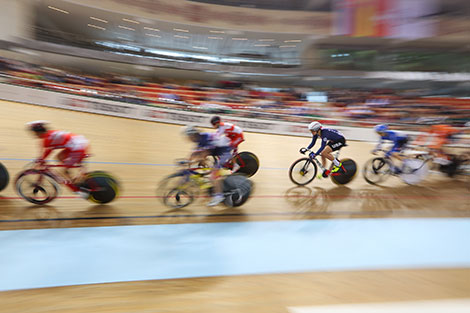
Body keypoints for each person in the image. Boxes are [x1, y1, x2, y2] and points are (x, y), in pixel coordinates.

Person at [26, 120, 90, 198]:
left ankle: (78, 190)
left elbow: (47, 151)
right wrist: (41, 159)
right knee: (59, 158)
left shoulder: (46, 139)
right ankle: (76, 180)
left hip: (77, 148)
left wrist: (40, 160)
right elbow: (46, 151)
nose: (34, 135)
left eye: (34, 132)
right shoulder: (49, 134)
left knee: (62, 172)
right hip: (78, 144)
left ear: (38, 132)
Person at [183, 125, 232, 206]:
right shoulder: (199, 139)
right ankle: (211, 187)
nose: (188, 138)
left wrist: (193, 162)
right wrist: (186, 161)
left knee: (214, 174)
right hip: (217, 151)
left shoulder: (205, 139)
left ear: (192, 135)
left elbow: (204, 155)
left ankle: (219, 196)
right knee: (202, 164)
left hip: (224, 153)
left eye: (188, 136)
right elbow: (194, 153)